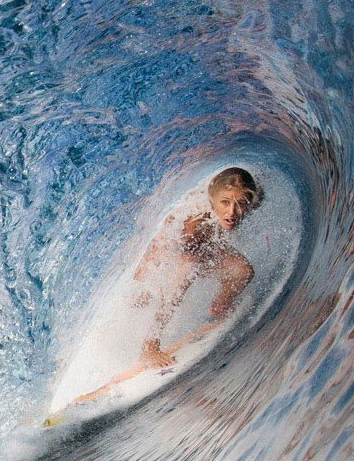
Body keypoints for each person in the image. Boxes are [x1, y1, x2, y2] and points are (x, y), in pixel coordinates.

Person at [72, 166, 262, 404]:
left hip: (202, 250)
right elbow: (162, 248)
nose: (232, 212)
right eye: (225, 203)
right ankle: (149, 347)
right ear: (213, 201)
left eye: (240, 204)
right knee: (186, 271)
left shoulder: (250, 198)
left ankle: (219, 307)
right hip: (166, 256)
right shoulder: (193, 221)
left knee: (243, 271)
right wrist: (144, 286)